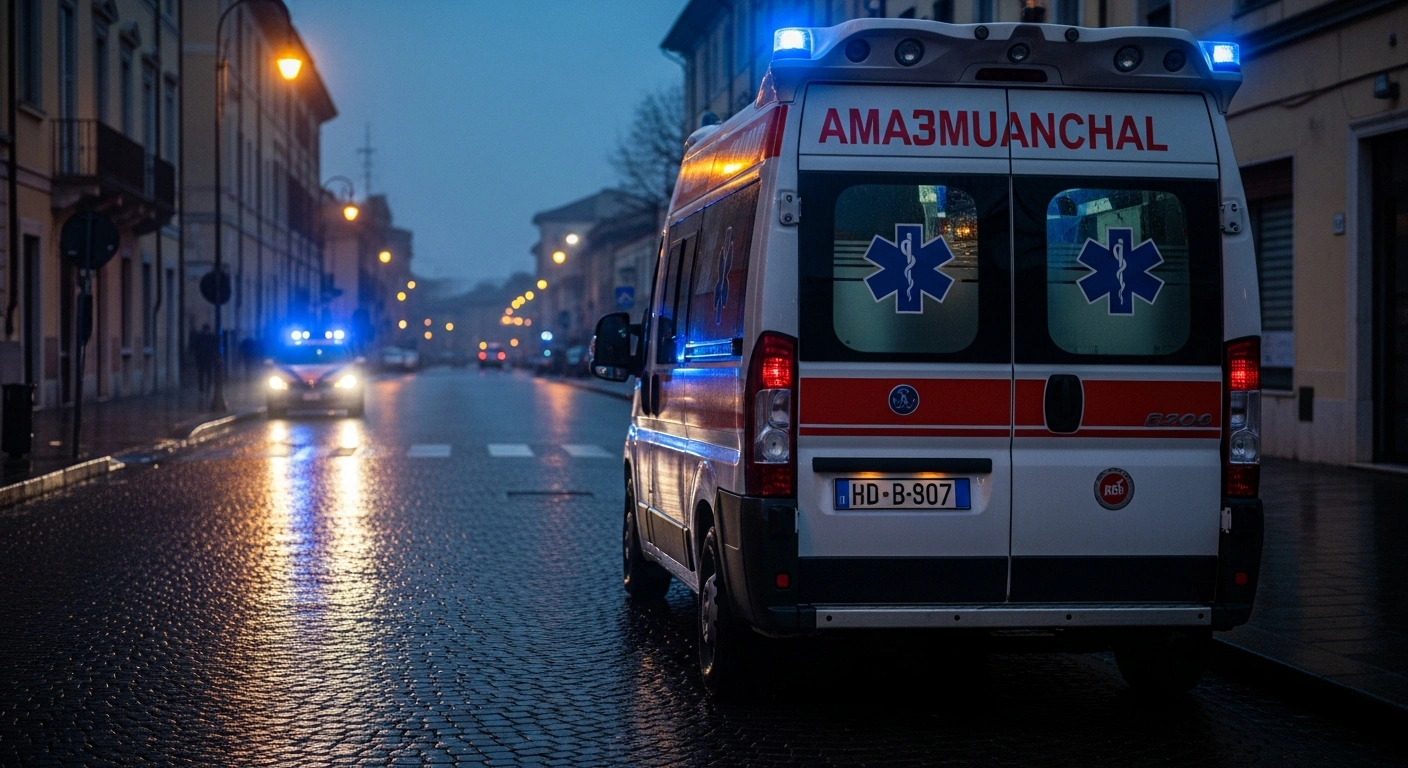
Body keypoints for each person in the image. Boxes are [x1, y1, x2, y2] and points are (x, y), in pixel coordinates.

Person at [193, 324, 217, 393]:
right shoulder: (201, 337)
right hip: (203, 358)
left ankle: (206, 387)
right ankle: (202, 387)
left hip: (206, 358)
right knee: (202, 374)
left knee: (207, 373)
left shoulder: (208, 337)